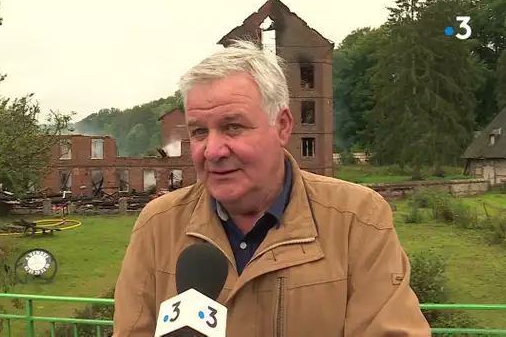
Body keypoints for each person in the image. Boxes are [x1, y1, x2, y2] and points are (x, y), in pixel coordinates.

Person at [112, 39, 431, 336]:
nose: (212, 150)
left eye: (232, 127)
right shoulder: (157, 226)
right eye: (198, 132)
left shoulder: (358, 219)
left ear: (282, 126)